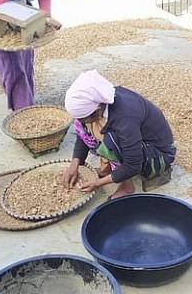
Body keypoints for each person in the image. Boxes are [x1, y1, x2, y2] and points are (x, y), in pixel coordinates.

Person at [61, 70, 177, 199]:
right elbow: (82, 134)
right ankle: (113, 171)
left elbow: (133, 165)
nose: (81, 122)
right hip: (137, 141)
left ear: (97, 110)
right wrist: (75, 163)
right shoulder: (101, 100)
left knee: (111, 142)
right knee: (88, 131)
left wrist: (98, 183)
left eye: (83, 118)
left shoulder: (125, 118)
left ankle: (127, 186)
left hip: (158, 154)